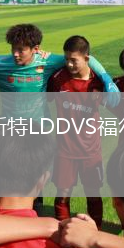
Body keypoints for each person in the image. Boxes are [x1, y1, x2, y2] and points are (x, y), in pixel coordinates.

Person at [46, 35, 105, 228]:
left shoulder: (99, 82)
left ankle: (95, 233)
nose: (69, 64)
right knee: (63, 194)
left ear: (87, 59)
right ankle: (61, 232)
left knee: (93, 194)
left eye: (74, 60)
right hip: (65, 150)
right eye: (66, 59)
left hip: (91, 150)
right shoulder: (58, 79)